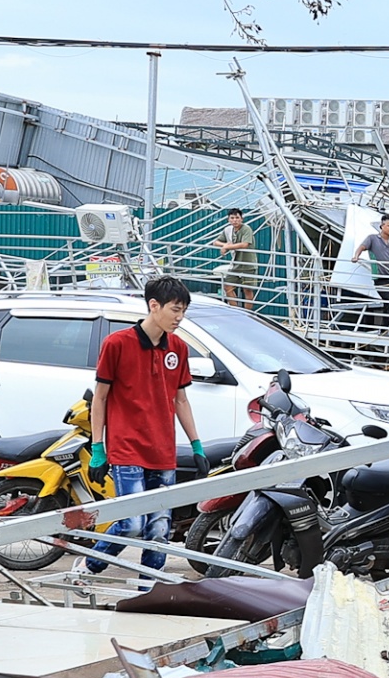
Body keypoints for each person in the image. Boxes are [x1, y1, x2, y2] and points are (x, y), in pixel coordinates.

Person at [85, 276, 206, 580]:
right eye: (175, 310)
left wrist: (196, 446)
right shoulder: (117, 344)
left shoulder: (178, 348)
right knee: (132, 523)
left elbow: (181, 400)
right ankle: (90, 565)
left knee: (159, 529)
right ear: (154, 306)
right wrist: (98, 448)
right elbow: (100, 398)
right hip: (126, 449)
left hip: (163, 450)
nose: (179, 317)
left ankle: (149, 590)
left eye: (183, 311)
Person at [353, 214, 389, 323]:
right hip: (380, 278)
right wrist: (356, 256)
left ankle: (384, 330)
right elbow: (362, 247)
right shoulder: (372, 238)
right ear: (382, 226)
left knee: (388, 304)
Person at [211, 208, 259, 311]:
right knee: (228, 287)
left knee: (247, 290)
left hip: (248, 264)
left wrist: (227, 247)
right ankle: (236, 310)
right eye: (232, 218)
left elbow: (244, 244)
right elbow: (216, 242)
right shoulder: (228, 230)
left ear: (242, 219)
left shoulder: (246, 229)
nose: (235, 220)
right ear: (228, 219)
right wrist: (225, 245)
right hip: (235, 264)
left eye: (237, 218)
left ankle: (248, 314)